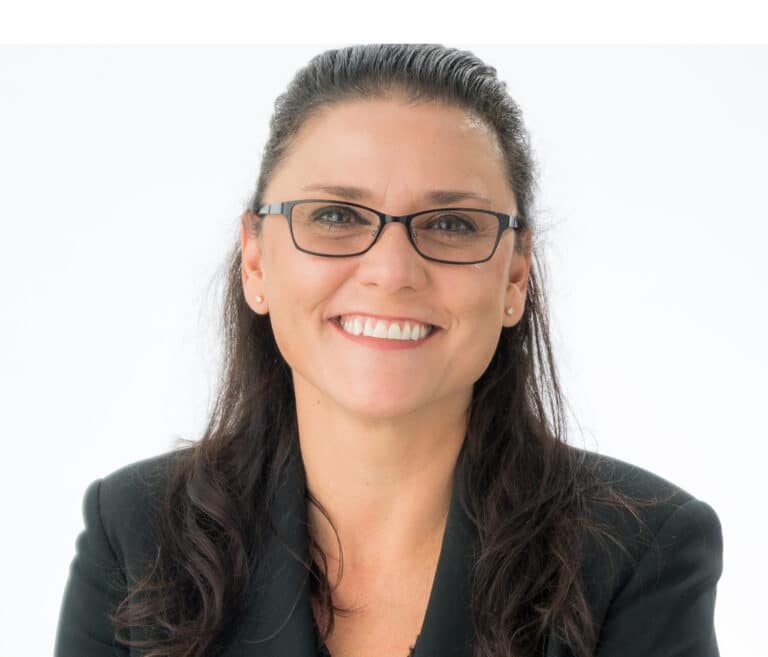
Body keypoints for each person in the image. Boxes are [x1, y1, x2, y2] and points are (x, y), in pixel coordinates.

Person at [53, 44, 723, 657]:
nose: (391, 270)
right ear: (255, 260)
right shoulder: (135, 533)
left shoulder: (642, 553)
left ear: (515, 275)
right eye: (337, 216)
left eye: (452, 224)